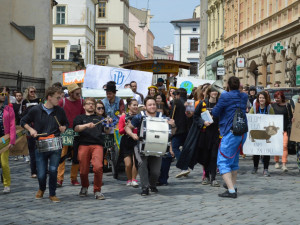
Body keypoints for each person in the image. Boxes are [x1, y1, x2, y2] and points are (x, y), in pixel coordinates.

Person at [21, 87, 68, 202]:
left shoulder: (60, 111)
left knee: (53, 170)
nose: (60, 100)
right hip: (40, 143)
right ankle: (42, 188)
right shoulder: (36, 110)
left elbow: (66, 122)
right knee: (41, 173)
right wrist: (31, 130)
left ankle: (52, 193)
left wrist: (64, 127)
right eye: (57, 97)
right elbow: (23, 121)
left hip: (55, 142)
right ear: (49, 97)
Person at [125, 97, 175, 196]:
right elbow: (127, 128)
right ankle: (145, 187)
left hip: (158, 147)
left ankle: (152, 185)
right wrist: (132, 135)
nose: (152, 106)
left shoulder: (162, 117)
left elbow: (170, 133)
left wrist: (172, 125)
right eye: (150, 105)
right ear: (145, 106)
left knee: (156, 172)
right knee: (142, 167)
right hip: (141, 146)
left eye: (154, 104)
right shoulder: (139, 117)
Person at [212, 76, 248, 198]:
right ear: (239, 85)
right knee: (234, 160)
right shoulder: (244, 96)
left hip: (230, 131)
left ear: (228, 85)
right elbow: (241, 92)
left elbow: (215, 112)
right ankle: (233, 185)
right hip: (242, 132)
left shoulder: (225, 96)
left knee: (222, 161)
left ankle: (231, 190)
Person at [73, 97, 112, 200]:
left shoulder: (99, 118)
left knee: (98, 167)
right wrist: (86, 125)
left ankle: (97, 190)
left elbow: (107, 131)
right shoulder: (80, 117)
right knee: (83, 170)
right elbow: (76, 128)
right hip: (84, 144)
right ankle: (84, 186)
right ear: (84, 106)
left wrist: (108, 123)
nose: (91, 105)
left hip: (97, 145)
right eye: (88, 104)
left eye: (92, 104)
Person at [57, 83, 85, 187]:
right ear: (71, 93)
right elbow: (56, 114)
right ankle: (59, 179)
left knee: (76, 156)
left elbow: (83, 115)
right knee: (62, 155)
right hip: (65, 132)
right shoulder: (63, 102)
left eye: (79, 92)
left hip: (77, 131)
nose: (79, 94)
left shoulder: (81, 102)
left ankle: (74, 178)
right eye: (77, 92)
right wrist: (60, 126)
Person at [249, 91, 275, 176]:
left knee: (266, 151)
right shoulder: (255, 107)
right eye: (260, 98)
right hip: (257, 132)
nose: (261, 99)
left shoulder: (269, 108)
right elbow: (249, 116)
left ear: (266, 99)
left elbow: (273, 119)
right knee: (256, 151)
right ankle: (255, 167)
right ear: (258, 99)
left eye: (263, 98)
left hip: (266, 132)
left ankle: (266, 169)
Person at [21, 86, 43, 177]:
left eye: (34, 91)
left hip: (39, 127)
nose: (33, 93)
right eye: (31, 91)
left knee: (42, 150)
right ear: (28, 92)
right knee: (32, 151)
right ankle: (33, 171)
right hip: (30, 127)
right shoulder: (25, 101)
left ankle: (43, 169)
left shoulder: (39, 100)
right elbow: (22, 115)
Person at [118, 99, 139, 187]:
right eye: (133, 105)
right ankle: (129, 179)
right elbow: (120, 131)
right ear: (129, 106)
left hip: (137, 140)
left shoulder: (139, 117)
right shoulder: (123, 117)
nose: (135, 107)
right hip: (126, 140)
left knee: (136, 161)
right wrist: (128, 127)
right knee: (128, 164)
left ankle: (134, 179)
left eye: (137, 105)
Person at [272, 91, 293, 172]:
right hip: (276, 130)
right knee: (276, 146)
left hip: (285, 129)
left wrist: (292, 121)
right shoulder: (273, 105)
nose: (276, 99)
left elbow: (290, 117)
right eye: (275, 98)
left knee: (284, 146)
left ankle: (284, 164)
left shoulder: (287, 105)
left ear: (282, 98)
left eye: (278, 98)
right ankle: (276, 161)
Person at [0, 87, 16, 193]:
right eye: (1, 93)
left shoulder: (9, 109)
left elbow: (12, 125)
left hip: (4, 139)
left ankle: (6, 184)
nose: (3, 95)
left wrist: (12, 141)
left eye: (5, 93)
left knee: (4, 163)